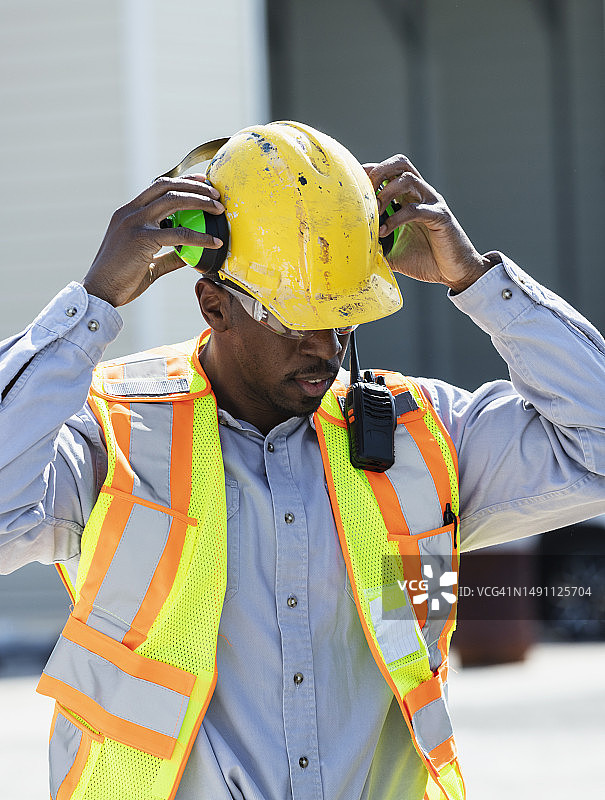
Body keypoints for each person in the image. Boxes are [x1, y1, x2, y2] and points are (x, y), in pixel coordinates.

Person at [1, 121, 604, 800]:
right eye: (298, 322)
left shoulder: (422, 440)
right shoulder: (115, 436)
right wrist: (90, 308)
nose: (326, 349)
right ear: (214, 306)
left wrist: (478, 282)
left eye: (344, 321)